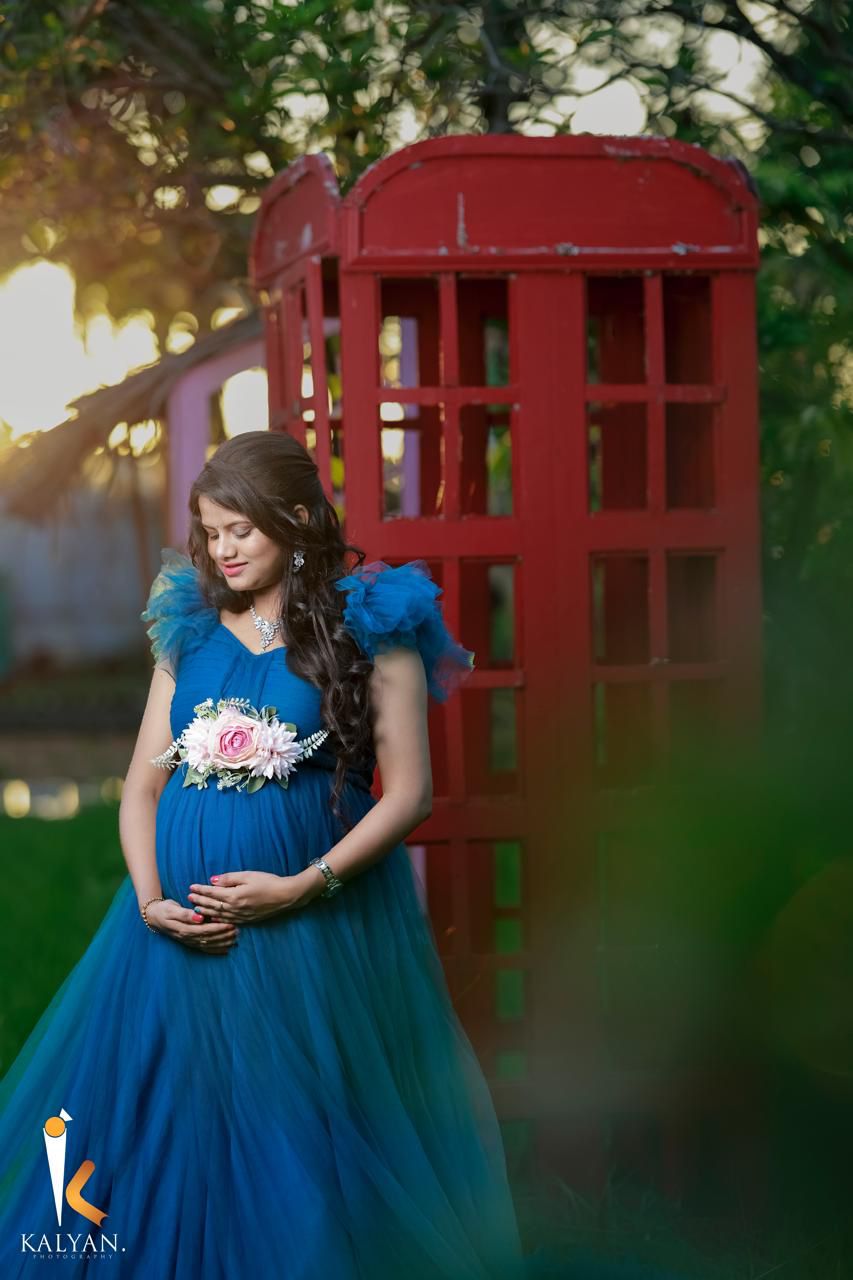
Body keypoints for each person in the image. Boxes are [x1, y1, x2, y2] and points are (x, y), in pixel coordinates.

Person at [0, 432, 677, 1280]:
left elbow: (408, 794)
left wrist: (299, 887)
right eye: (211, 533)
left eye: (240, 530)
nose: (224, 550)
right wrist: (147, 899)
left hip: (307, 930)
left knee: (295, 1124)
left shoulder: (370, 623)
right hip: (174, 930)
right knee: (166, 1118)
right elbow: (141, 787)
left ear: (293, 517)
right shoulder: (190, 630)